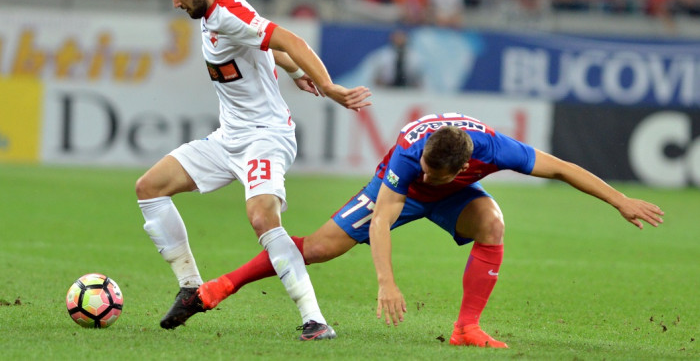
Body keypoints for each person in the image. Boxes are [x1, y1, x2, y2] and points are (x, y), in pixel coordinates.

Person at [188, 112, 664, 348]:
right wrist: (386, 281)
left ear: (463, 165)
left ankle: (466, 328)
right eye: (429, 169)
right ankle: (220, 286)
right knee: (315, 248)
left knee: (492, 224)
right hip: (393, 194)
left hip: (453, 203)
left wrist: (621, 201)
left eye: (440, 172)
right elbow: (382, 218)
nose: (430, 174)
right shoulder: (409, 159)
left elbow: (561, 168)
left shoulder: (493, 148)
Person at [136, 0, 371, 340]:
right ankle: (191, 286)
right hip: (229, 138)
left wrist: (329, 87)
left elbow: (290, 40)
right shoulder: (213, 12)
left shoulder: (226, 13)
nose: (175, 3)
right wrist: (295, 72)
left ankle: (315, 320)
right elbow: (263, 43)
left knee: (263, 217)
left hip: (266, 136)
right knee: (149, 189)